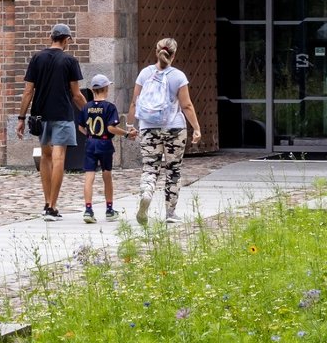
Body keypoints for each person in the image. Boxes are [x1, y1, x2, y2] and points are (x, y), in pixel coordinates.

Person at [127, 36, 201, 224]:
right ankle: (170, 213)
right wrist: (197, 129)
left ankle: (147, 192)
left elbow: (135, 102)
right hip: (174, 128)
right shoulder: (178, 76)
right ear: (174, 54)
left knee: (150, 167)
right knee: (173, 169)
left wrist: (130, 126)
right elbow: (186, 105)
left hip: (148, 128)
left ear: (156, 51)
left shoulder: (145, 74)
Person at [15, 23, 83, 220]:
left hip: (40, 115)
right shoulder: (70, 61)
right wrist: (89, 112)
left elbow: (28, 91)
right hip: (62, 115)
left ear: (51, 37)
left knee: (45, 156)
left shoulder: (37, 58)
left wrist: (21, 118)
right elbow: (77, 95)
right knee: (59, 158)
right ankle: (53, 206)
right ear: (66, 39)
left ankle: (46, 203)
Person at [77, 74, 129, 223]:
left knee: (89, 176)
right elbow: (111, 128)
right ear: (105, 89)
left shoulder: (86, 107)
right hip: (105, 143)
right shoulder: (109, 107)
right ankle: (109, 209)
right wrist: (125, 134)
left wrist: (90, 135)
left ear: (93, 90)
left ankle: (88, 209)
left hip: (90, 143)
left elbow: (81, 126)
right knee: (107, 176)